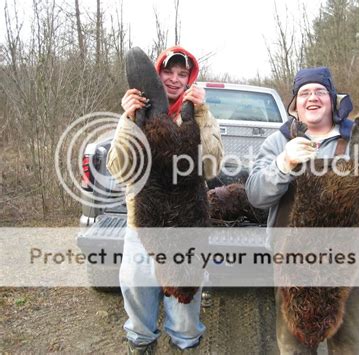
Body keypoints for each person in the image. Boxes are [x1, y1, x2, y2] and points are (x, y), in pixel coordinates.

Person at [245, 67, 359, 354]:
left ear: (332, 100)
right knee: (294, 348)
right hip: (291, 266)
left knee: (353, 347)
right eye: (304, 93)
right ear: (295, 104)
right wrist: (283, 165)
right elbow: (255, 194)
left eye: (320, 91)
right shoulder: (278, 142)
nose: (312, 97)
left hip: (351, 267)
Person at [107, 45, 223, 354]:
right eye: (167, 72)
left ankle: (185, 346)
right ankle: (141, 344)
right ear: (157, 75)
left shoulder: (200, 115)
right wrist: (128, 120)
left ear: (189, 79)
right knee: (137, 295)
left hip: (189, 228)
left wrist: (202, 115)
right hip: (142, 225)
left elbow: (210, 167)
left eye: (181, 74)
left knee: (185, 313)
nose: (174, 79)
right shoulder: (136, 115)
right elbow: (120, 170)